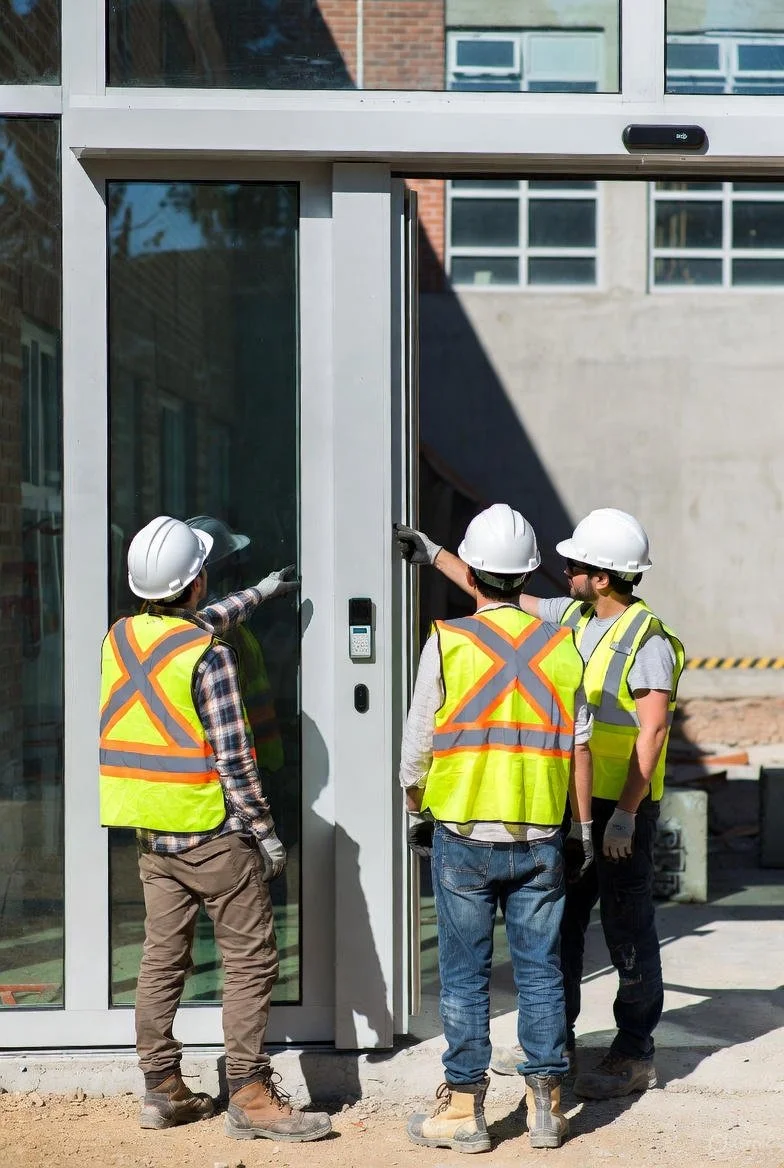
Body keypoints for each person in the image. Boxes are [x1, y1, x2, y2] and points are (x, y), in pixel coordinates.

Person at [396, 507, 685, 1101]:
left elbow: (651, 733)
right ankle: (556, 1047)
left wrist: (625, 814)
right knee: (564, 933)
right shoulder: (576, 616)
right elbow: (505, 600)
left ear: (603, 577)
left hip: (620, 808)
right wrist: (435, 555)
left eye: (576, 563)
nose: (564, 569)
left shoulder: (646, 639)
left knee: (628, 929)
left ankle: (633, 1051)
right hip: (574, 801)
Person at [99, 515, 331, 1142]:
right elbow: (235, 758)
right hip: (213, 835)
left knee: (161, 962)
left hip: (152, 838)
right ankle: (251, 1096)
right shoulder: (211, 656)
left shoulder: (120, 638)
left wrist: (264, 589)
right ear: (197, 582)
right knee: (251, 961)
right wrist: (266, 832)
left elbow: (208, 617)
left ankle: (161, 1090)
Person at [400, 504, 593, 1152]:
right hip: (542, 834)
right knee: (541, 972)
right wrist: (585, 829)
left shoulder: (450, 641)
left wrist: (414, 806)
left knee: (464, 976)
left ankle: (464, 1112)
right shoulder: (563, 644)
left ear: (474, 574)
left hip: (463, 836)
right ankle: (547, 1106)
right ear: (531, 573)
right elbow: (581, 746)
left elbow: (418, 744)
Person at [186, 515, 284, 775]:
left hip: (259, 757)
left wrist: (260, 594)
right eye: (231, 561)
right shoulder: (204, 634)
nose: (239, 566)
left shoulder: (222, 625)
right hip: (235, 768)